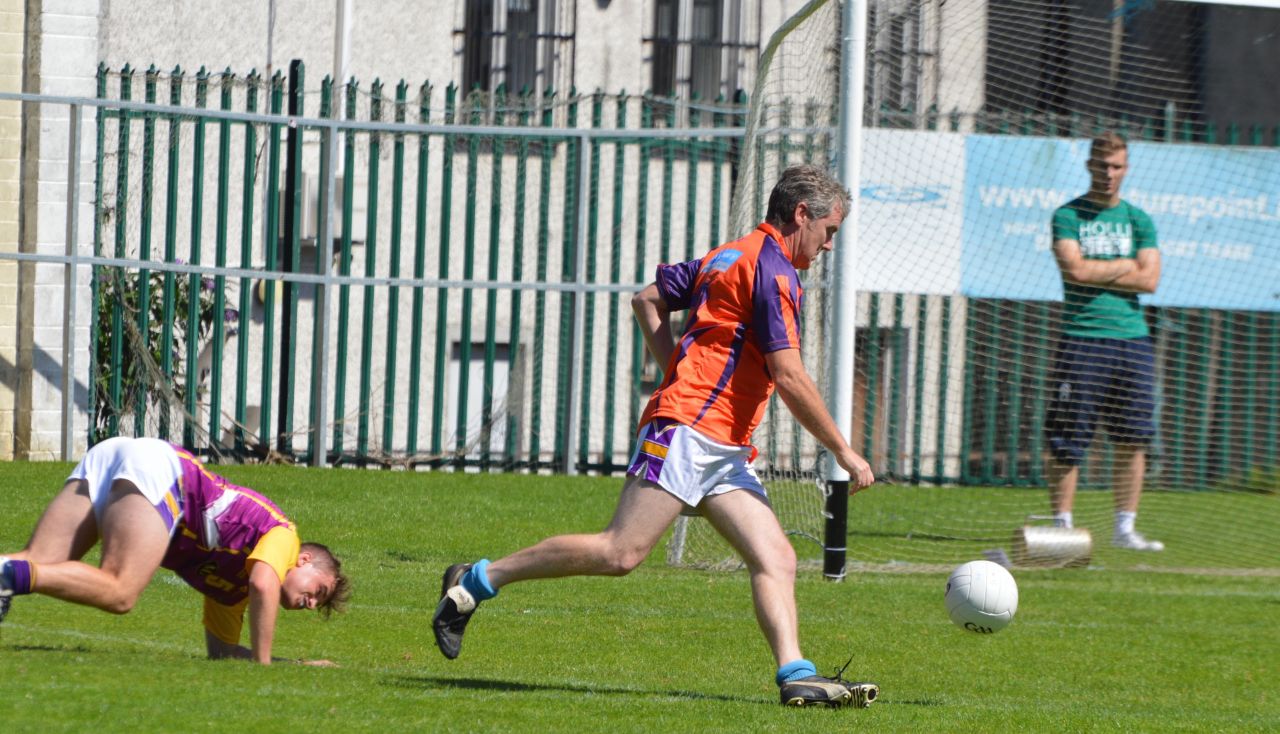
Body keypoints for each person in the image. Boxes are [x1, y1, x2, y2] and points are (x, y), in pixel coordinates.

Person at [432, 164, 879, 708]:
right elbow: (788, 374)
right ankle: (474, 581)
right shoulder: (774, 271)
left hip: (722, 447)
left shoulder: (729, 254)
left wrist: (675, 369)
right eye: (829, 231)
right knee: (621, 552)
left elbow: (647, 300)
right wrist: (844, 451)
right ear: (802, 215)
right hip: (689, 431)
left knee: (777, 557)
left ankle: (796, 676)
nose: (829, 245)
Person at [0, 436, 350, 664]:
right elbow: (263, 583)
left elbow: (222, 653)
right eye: (318, 590)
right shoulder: (285, 535)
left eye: (318, 603)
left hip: (118, 455)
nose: (312, 603)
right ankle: (9, 575)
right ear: (303, 560)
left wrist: (297, 665)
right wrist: (263, 666)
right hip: (163, 471)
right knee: (120, 590)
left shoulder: (231, 591)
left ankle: (8, 570)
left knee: (40, 561)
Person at [1045, 131, 1163, 551]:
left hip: (1132, 340)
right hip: (1082, 337)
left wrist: (1099, 267)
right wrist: (1125, 264)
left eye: (1116, 166)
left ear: (1126, 169)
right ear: (1089, 165)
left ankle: (1124, 529)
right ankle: (1061, 525)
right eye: (1102, 165)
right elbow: (1073, 270)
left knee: (1133, 437)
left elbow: (1149, 279)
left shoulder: (1139, 219)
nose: (1109, 174)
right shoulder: (1068, 215)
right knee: (1067, 436)